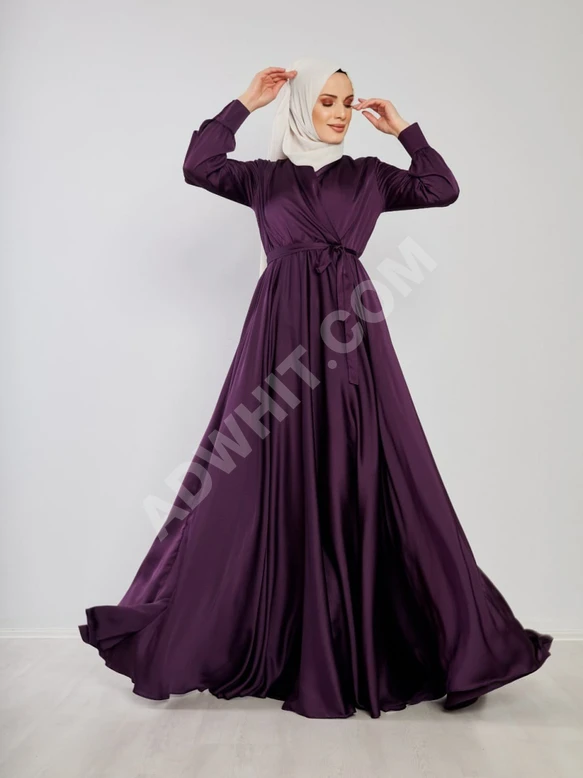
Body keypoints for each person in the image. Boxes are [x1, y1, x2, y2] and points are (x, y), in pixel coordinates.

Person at [78, 57, 553, 720]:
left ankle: (400, 641)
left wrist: (405, 131)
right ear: (300, 105)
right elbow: (198, 164)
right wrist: (244, 103)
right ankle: (267, 637)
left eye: (346, 102)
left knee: (370, 467)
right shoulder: (262, 178)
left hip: (349, 335)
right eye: (326, 101)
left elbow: (441, 188)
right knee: (256, 470)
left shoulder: (370, 175)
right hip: (278, 336)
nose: (338, 113)